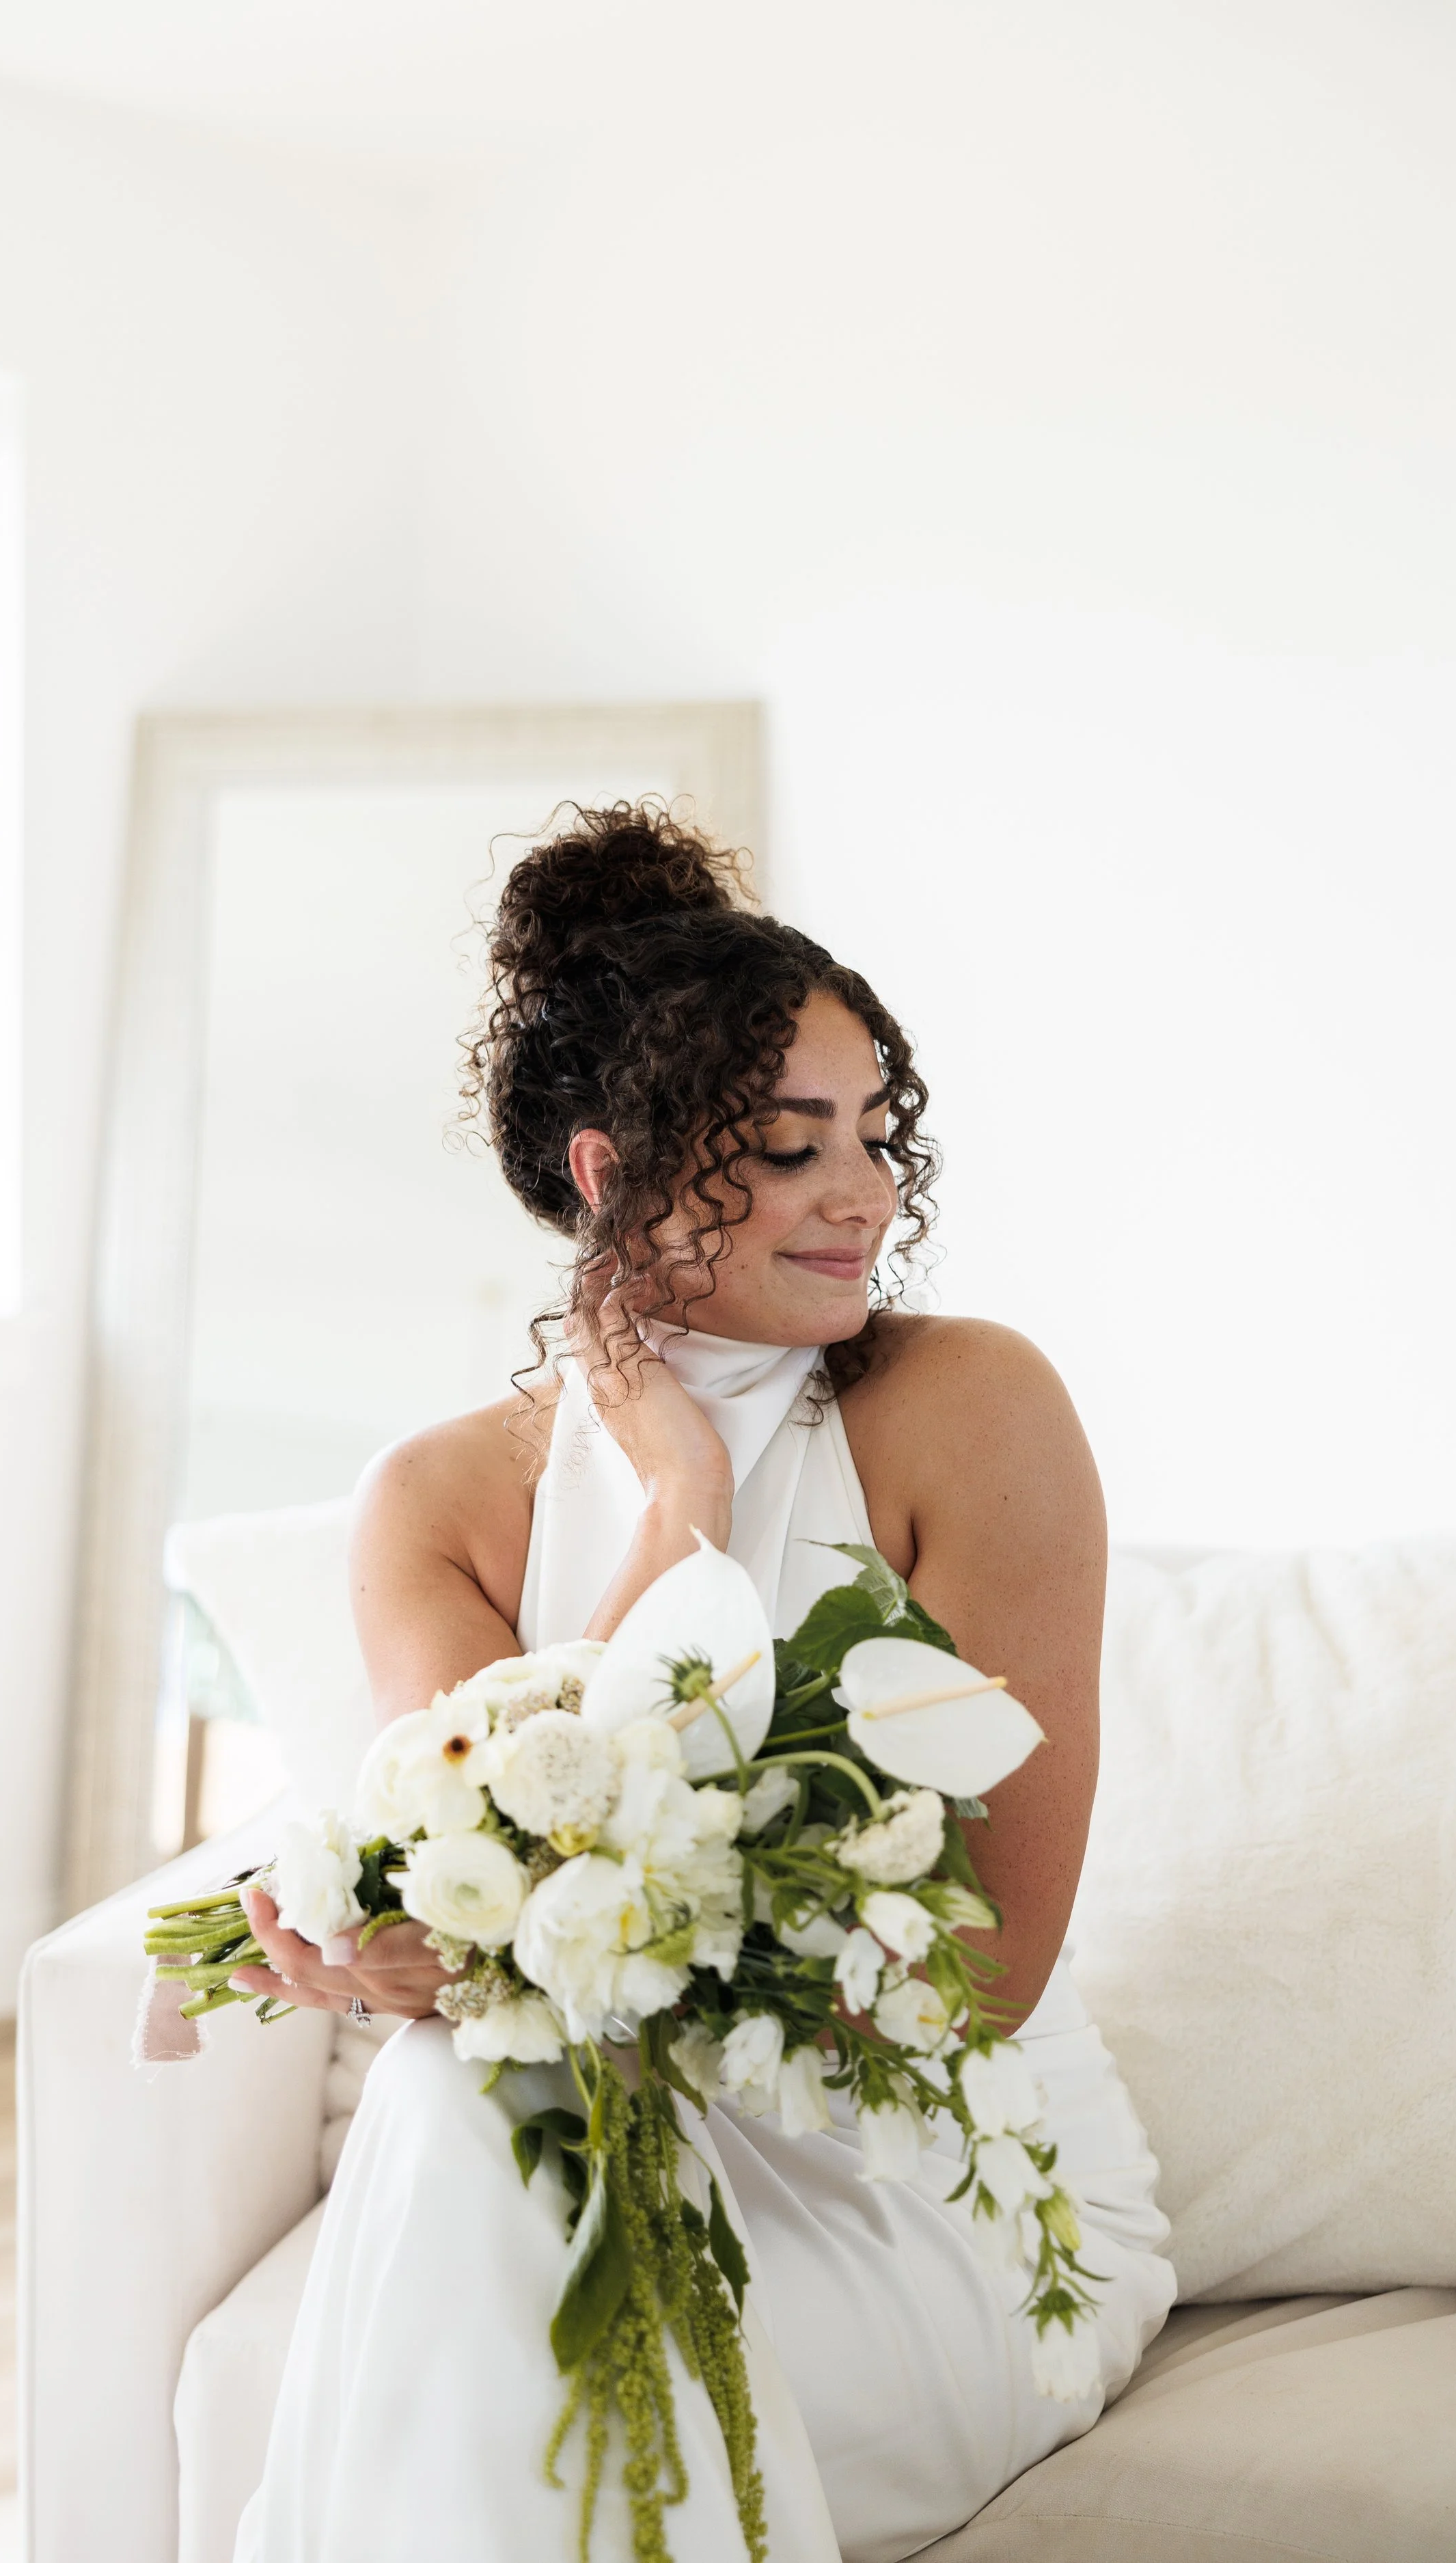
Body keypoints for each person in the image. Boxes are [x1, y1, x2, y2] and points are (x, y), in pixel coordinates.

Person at [230, 804, 1175, 2563]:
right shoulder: (437, 1501)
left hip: (935, 2196)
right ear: (610, 1171)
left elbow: (984, 1964)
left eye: (874, 1139)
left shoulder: (969, 1408)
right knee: (472, 2100)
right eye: (788, 1145)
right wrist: (675, 1496)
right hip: (589, 2159)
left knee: (480, 2138)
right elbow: (480, 1890)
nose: (863, 1195)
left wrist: (688, 1497)